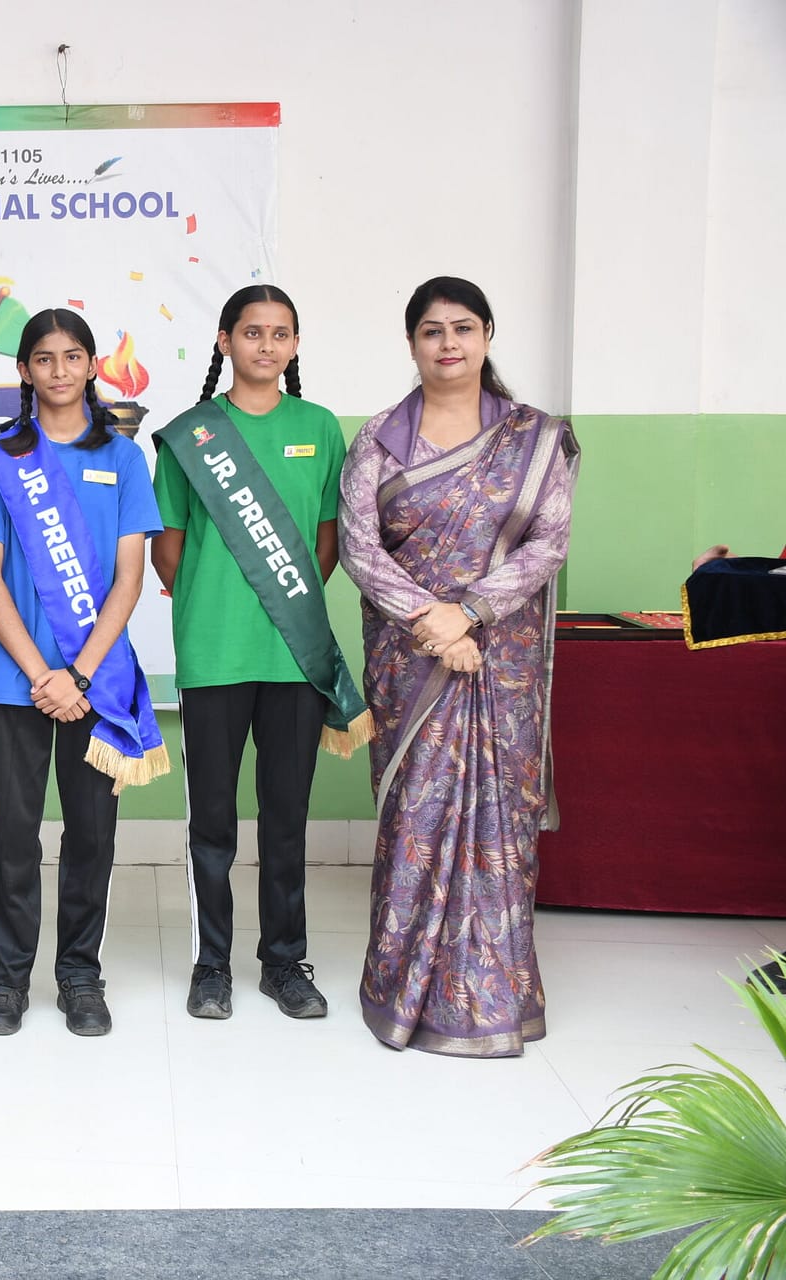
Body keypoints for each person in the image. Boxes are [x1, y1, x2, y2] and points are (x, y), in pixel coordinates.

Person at [340, 275, 578, 1058]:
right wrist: (431, 621)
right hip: (413, 659)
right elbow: (360, 549)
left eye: (463, 328)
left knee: (499, 817)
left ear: (486, 336)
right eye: (432, 330)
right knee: (418, 813)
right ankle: (401, 989)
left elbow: (548, 542)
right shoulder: (379, 441)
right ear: (412, 344)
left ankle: (496, 993)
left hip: (501, 658)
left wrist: (470, 611)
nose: (449, 343)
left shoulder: (535, 439)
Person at [151, 285, 370, 1025]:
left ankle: (284, 962)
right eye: (252, 332)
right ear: (225, 341)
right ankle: (210, 965)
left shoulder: (320, 427)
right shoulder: (189, 436)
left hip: (293, 656)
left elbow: (328, 540)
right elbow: (170, 549)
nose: (266, 345)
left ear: (296, 345)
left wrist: (286, 604)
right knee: (211, 822)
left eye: (280, 334)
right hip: (212, 654)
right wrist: (219, 601)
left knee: (286, 818)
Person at [0, 308, 166, 1038]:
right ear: (24, 370)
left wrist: (76, 674)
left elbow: (130, 580)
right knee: (13, 836)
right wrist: (43, 673)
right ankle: (8, 977)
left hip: (97, 681)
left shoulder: (124, 458)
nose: (59, 370)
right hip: (14, 681)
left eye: (72, 356)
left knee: (91, 834)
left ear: (91, 365)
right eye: (43, 358)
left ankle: (80, 973)